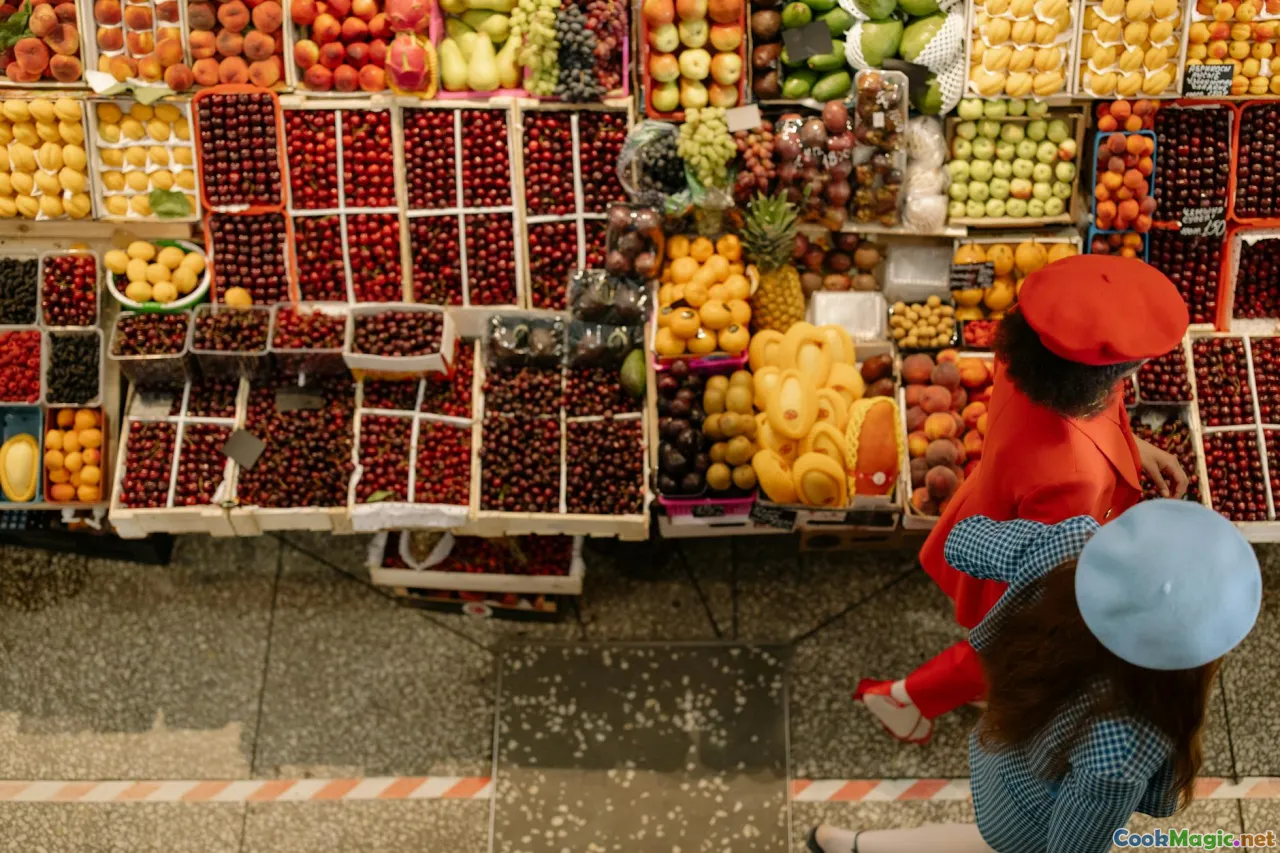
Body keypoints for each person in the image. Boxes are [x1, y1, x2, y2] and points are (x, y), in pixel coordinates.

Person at [856, 254, 1192, 743]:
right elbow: (1054, 576)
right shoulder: (1072, 477)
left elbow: (1091, 411)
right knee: (1012, 647)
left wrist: (1131, 445)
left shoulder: (1026, 354)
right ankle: (905, 698)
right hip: (1024, 554)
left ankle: (914, 695)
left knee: (1000, 643)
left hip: (991, 504)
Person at [809, 498, 1261, 853]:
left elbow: (961, 542)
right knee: (994, 843)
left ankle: (853, 845)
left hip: (1000, 746)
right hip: (1030, 813)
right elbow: (1071, 848)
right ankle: (854, 846)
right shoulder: (1130, 742)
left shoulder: (1074, 545)